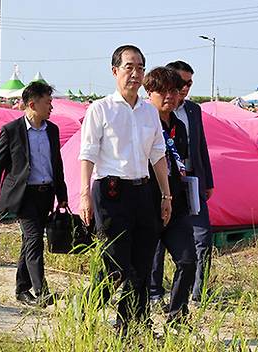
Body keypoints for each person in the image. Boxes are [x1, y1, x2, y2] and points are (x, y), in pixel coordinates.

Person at [78, 45, 172, 331]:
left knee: (142, 263)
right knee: (116, 265)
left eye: (140, 67)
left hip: (143, 192)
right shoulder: (101, 109)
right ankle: (86, 312)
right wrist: (84, 195)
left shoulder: (148, 112)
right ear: (115, 70)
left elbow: (157, 155)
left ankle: (129, 325)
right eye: (129, 67)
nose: (135, 73)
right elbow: (88, 153)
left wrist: (166, 195)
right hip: (110, 193)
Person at [0, 81, 68, 307]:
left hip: (46, 193)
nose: (51, 107)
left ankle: (22, 289)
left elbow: (56, 164)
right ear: (32, 104)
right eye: (47, 102)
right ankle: (42, 290)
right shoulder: (12, 130)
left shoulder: (52, 130)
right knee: (34, 241)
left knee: (29, 243)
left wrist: (62, 194)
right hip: (24, 195)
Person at [149, 60, 214, 304]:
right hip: (160, 183)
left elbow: (201, 147)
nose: (184, 89)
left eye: (188, 84)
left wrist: (207, 181)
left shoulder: (193, 111)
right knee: (157, 242)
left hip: (189, 180)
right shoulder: (151, 113)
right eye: (180, 83)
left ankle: (199, 291)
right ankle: (154, 291)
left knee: (202, 236)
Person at [144, 67, 196, 323]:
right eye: (163, 91)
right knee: (138, 267)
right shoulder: (143, 124)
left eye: (175, 90)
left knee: (187, 260)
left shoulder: (179, 126)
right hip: (147, 203)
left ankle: (177, 313)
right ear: (149, 92)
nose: (170, 96)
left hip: (176, 204)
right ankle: (135, 315)